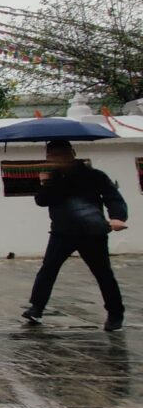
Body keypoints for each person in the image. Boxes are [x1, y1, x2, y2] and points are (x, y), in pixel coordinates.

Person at [22, 139, 128, 331]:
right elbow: (42, 201)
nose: (56, 159)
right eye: (52, 156)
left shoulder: (94, 176)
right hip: (62, 232)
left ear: (72, 153)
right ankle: (36, 308)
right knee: (48, 269)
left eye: (60, 155)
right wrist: (46, 184)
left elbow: (113, 197)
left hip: (92, 232)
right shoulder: (53, 178)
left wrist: (117, 217)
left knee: (103, 273)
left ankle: (115, 313)